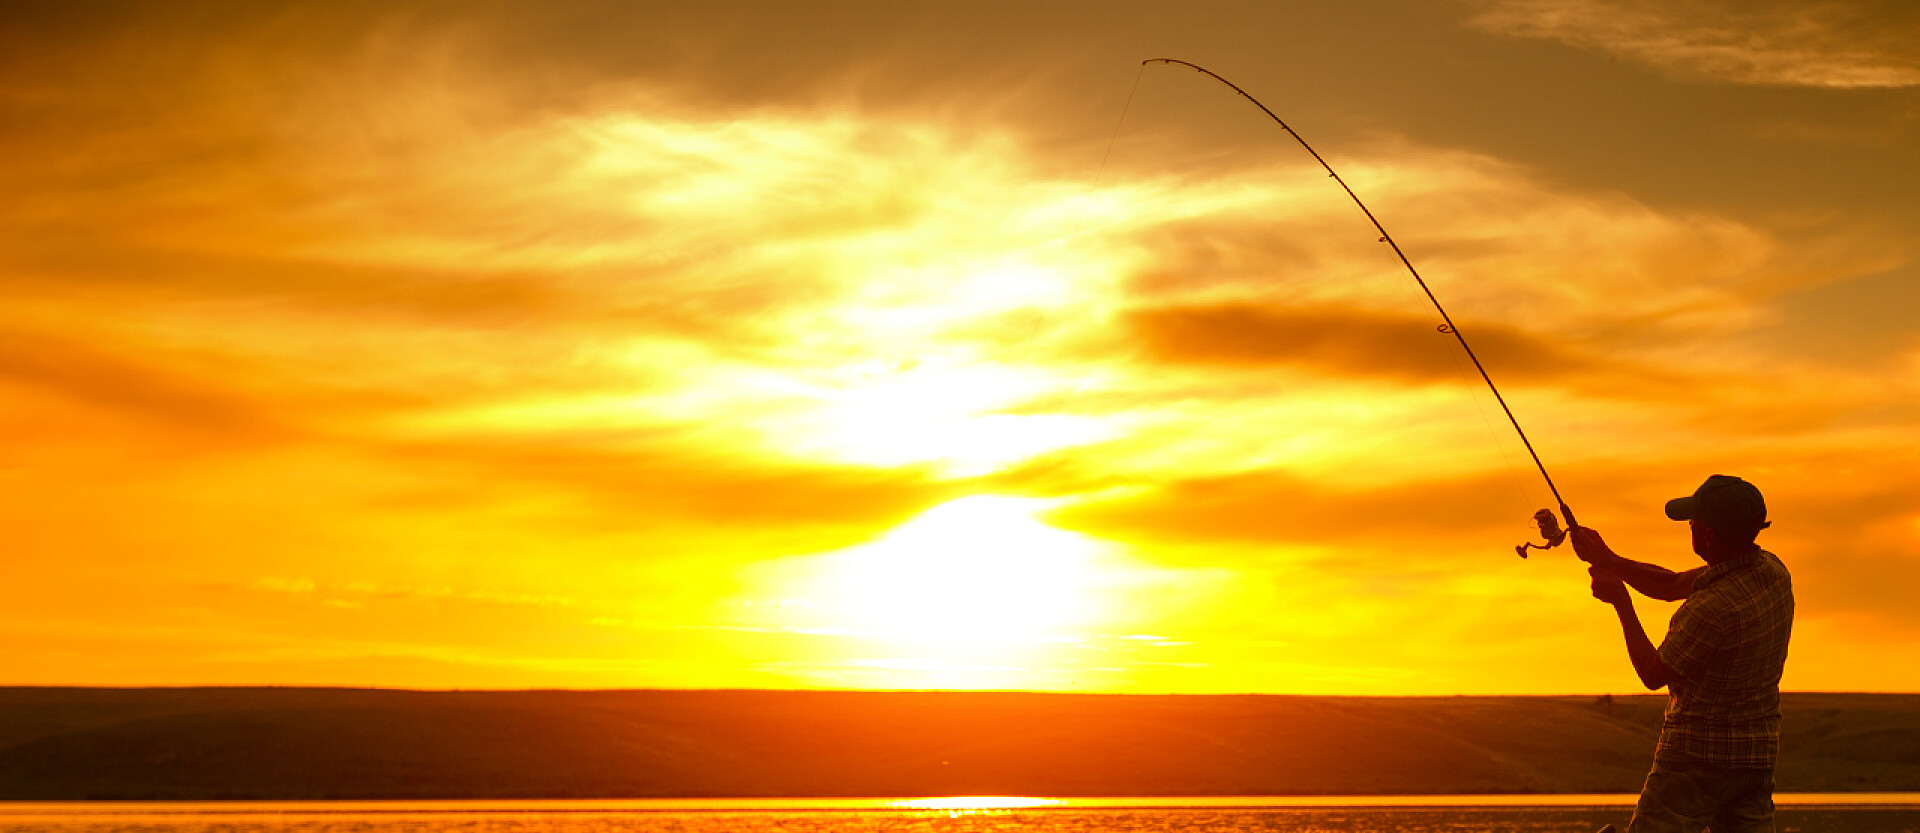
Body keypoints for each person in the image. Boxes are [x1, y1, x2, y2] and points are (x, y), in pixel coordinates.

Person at [1572, 474, 1793, 833]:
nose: (1688, 527)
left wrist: (1621, 603)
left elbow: (1652, 673)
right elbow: (1671, 584)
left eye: (1692, 522)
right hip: (1755, 759)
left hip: (1694, 761)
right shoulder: (1772, 571)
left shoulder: (1711, 609)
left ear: (1707, 534)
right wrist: (1609, 560)